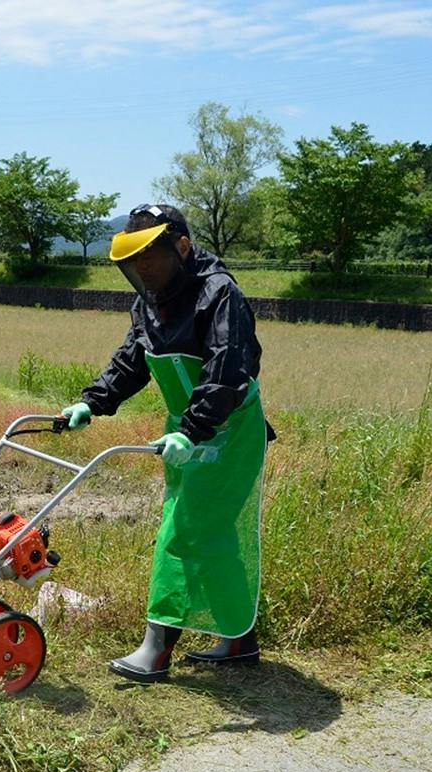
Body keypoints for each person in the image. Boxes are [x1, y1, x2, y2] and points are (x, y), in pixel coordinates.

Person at [62, 204, 274, 683]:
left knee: (182, 531)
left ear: (181, 247)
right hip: (185, 432)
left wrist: (192, 429)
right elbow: (130, 362)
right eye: (134, 261)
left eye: (150, 258)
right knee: (211, 533)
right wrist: (90, 404)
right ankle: (239, 639)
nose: (142, 269)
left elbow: (228, 371)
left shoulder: (219, 294)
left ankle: (155, 649)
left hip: (229, 430)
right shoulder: (150, 303)